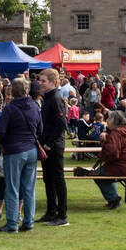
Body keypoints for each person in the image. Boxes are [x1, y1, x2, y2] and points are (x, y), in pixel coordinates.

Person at [0, 77, 40, 233]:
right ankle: (29, 221)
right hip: (31, 149)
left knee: (12, 188)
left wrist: (4, 143)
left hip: (14, 150)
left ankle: (12, 223)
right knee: (29, 188)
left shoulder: (10, 108)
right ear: (26, 90)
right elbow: (40, 129)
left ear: (12, 91)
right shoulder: (34, 105)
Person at [35, 67, 69, 226]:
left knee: (57, 179)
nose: (40, 83)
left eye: (43, 81)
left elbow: (61, 123)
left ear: (53, 83)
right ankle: (51, 211)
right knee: (48, 179)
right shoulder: (47, 98)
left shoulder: (55, 98)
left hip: (54, 146)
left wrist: (48, 144)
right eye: (40, 80)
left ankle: (62, 216)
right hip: (46, 145)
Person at [91, 110, 126, 209]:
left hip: (124, 166)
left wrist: (101, 155)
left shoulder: (116, 133)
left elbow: (112, 153)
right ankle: (114, 199)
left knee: (98, 174)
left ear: (115, 121)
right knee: (102, 172)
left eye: (109, 118)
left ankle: (114, 200)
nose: (107, 120)